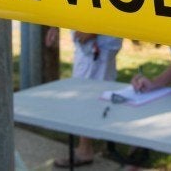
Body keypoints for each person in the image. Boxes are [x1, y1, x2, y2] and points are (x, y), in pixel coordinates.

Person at [46, 28, 123, 168]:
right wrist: (55, 25)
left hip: (98, 40)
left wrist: (95, 30)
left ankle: (85, 149)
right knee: (89, 92)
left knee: (88, 95)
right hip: (90, 39)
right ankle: (87, 146)